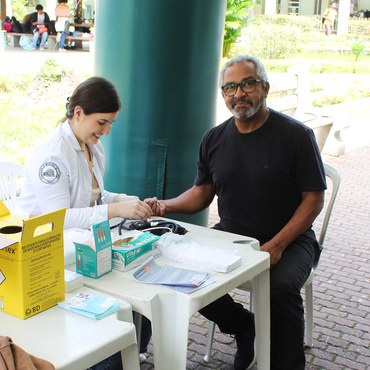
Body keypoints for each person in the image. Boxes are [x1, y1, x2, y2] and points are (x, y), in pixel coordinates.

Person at [145, 54, 326, 370]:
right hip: (232, 235)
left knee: (279, 287)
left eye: (247, 84)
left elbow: (313, 199)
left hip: (292, 240)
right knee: (176, 270)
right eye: (229, 87)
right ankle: (243, 327)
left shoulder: (296, 136)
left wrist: (278, 245)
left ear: (265, 88)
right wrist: (164, 206)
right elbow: (202, 193)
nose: (238, 94)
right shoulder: (214, 138)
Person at [17, 76, 153, 368]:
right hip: (45, 256)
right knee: (124, 293)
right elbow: (58, 220)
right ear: (78, 113)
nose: (106, 131)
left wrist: (124, 201)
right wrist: (117, 211)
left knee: (139, 287)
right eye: (102, 122)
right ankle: (107, 356)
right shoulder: (52, 155)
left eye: (111, 123)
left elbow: (96, 197)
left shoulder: (92, 146)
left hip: (82, 246)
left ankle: (126, 349)